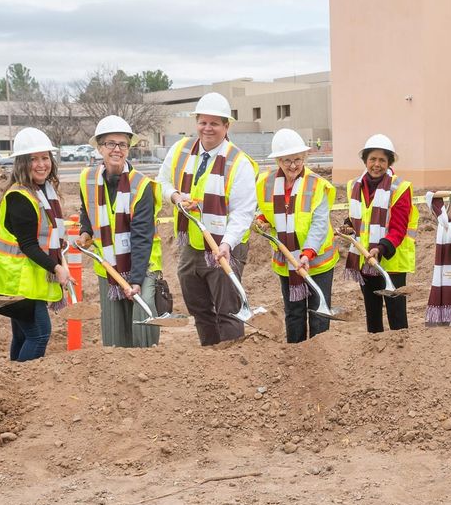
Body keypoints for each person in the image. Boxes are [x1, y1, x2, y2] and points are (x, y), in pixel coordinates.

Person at [157, 93, 258, 345]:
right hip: (192, 244)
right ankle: (211, 355)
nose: (207, 128)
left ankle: (233, 359)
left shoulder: (239, 163)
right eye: (203, 122)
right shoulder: (180, 150)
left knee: (228, 311)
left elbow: (243, 213)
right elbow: (162, 182)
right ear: (197, 123)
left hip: (225, 246)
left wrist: (227, 244)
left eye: (214, 123)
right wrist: (175, 197)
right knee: (198, 307)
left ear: (226, 126)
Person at [0, 128, 72, 361]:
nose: (41, 164)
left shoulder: (43, 192)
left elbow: (47, 237)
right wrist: (56, 268)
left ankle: (14, 377)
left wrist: (61, 257)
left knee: (23, 336)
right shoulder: (20, 197)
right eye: (34, 159)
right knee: (40, 334)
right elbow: (28, 245)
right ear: (22, 163)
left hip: (25, 282)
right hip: (14, 283)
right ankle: (23, 379)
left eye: (45, 158)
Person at [76, 115, 163, 348]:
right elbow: (87, 210)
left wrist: (136, 280)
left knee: (142, 310)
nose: (117, 149)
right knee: (114, 331)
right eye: (110, 144)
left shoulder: (141, 185)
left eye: (123, 144)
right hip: (108, 265)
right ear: (99, 147)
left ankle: (148, 358)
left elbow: (142, 236)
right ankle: (119, 365)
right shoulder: (88, 179)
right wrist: (85, 231)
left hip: (142, 263)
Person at [254, 128, 338, 343]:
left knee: (319, 313)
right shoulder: (266, 183)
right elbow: (264, 210)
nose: (293, 165)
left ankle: (320, 354)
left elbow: (319, 223)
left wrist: (307, 254)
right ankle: (296, 355)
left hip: (317, 261)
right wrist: (261, 220)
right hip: (288, 262)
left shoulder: (317, 184)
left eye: (297, 159)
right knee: (294, 312)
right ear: (278, 161)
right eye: (287, 160)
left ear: (305, 158)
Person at [344, 134, 417, 332]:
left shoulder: (400, 188)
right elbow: (358, 217)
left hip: (391, 262)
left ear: (389, 162)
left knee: (397, 316)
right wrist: (347, 226)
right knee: (372, 314)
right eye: (373, 159)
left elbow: (399, 228)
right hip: (366, 260)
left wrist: (380, 248)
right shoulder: (354, 186)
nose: (377, 165)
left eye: (382, 160)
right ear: (365, 161)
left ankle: (400, 349)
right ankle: (375, 348)